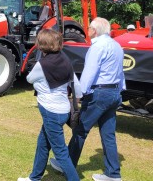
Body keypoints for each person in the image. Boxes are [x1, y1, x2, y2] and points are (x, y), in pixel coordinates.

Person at [49, 17, 125, 181]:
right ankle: (113, 174)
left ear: (95, 31)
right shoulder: (117, 45)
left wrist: (78, 94)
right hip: (114, 92)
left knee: (80, 130)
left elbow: (89, 73)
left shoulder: (97, 47)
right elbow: (121, 73)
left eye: (89, 27)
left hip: (99, 93)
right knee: (108, 135)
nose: (87, 29)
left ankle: (66, 165)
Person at [18, 29, 82, 181]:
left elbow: (29, 79)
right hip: (63, 110)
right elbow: (77, 88)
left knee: (61, 153)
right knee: (43, 144)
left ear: (41, 45)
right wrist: (76, 102)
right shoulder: (66, 60)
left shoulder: (42, 64)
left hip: (50, 112)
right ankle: (34, 177)